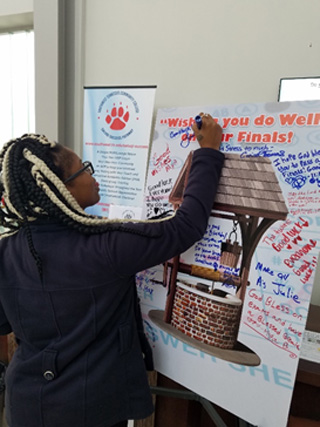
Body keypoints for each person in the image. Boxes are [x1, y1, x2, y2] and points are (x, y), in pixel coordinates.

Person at [0, 113, 224, 427]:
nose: (93, 176)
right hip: (93, 410)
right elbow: (186, 226)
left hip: (27, 407)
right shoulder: (106, 246)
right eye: (84, 168)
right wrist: (208, 152)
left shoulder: (6, 249)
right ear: (61, 189)